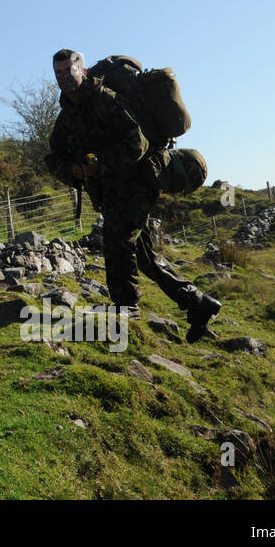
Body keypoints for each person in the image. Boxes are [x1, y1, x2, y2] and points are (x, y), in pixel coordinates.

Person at [44, 49, 221, 342]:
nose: (65, 77)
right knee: (144, 257)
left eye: (69, 70)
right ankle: (198, 303)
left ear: (83, 71)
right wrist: (72, 170)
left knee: (117, 242)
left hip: (137, 181)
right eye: (59, 73)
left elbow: (137, 142)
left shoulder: (104, 100)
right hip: (110, 190)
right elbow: (53, 156)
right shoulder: (67, 116)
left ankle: (127, 308)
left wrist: (101, 162)